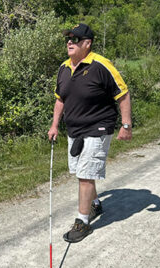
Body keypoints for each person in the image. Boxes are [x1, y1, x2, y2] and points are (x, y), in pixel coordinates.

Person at [48, 23, 132, 243]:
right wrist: (55, 125)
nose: (69, 42)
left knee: (85, 175)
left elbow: (122, 94)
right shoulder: (64, 67)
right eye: (68, 39)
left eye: (75, 39)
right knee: (80, 171)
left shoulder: (101, 65)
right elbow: (60, 99)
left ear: (87, 43)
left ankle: (82, 222)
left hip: (99, 127)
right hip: (75, 129)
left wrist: (126, 125)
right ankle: (94, 205)